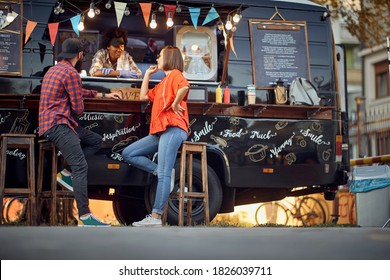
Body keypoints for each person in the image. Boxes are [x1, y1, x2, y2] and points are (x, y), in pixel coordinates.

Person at [39, 38, 121, 227]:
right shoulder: (72, 74)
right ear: (79, 54)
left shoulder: (54, 69)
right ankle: (85, 216)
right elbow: (78, 109)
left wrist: (102, 94)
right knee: (81, 166)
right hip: (59, 125)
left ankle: (66, 173)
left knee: (96, 140)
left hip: (52, 123)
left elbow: (77, 90)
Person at [122, 46, 190, 227]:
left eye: (159, 56)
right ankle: (159, 171)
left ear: (168, 57)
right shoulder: (162, 82)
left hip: (173, 128)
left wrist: (175, 103)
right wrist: (147, 75)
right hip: (161, 131)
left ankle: (155, 217)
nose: (157, 59)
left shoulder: (175, 74)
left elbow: (184, 86)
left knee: (164, 174)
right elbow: (143, 97)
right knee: (129, 153)